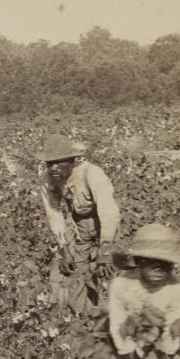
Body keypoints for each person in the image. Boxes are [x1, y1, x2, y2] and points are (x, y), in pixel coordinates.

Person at [37, 134, 121, 313]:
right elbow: (54, 214)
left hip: (106, 224)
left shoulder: (91, 173)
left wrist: (105, 248)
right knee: (78, 272)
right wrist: (64, 249)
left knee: (108, 271)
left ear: (72, 161)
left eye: (58, 162)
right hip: (81, 225)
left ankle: (114, 316)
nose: (53, 168)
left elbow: (108, 212)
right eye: (49, 163)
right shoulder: (47, 179)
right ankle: (84, 317)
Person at [108, 224, 180, 357]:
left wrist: (161, 357)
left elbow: (172, 333)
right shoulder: (122, 285)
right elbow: (118, 323)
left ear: (173, 264)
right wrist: (129, 355)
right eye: (151, 261)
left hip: (162, 349)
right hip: (128, 346)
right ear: (138, 261)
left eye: (166, 263)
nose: (158, 268)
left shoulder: (177, 288)